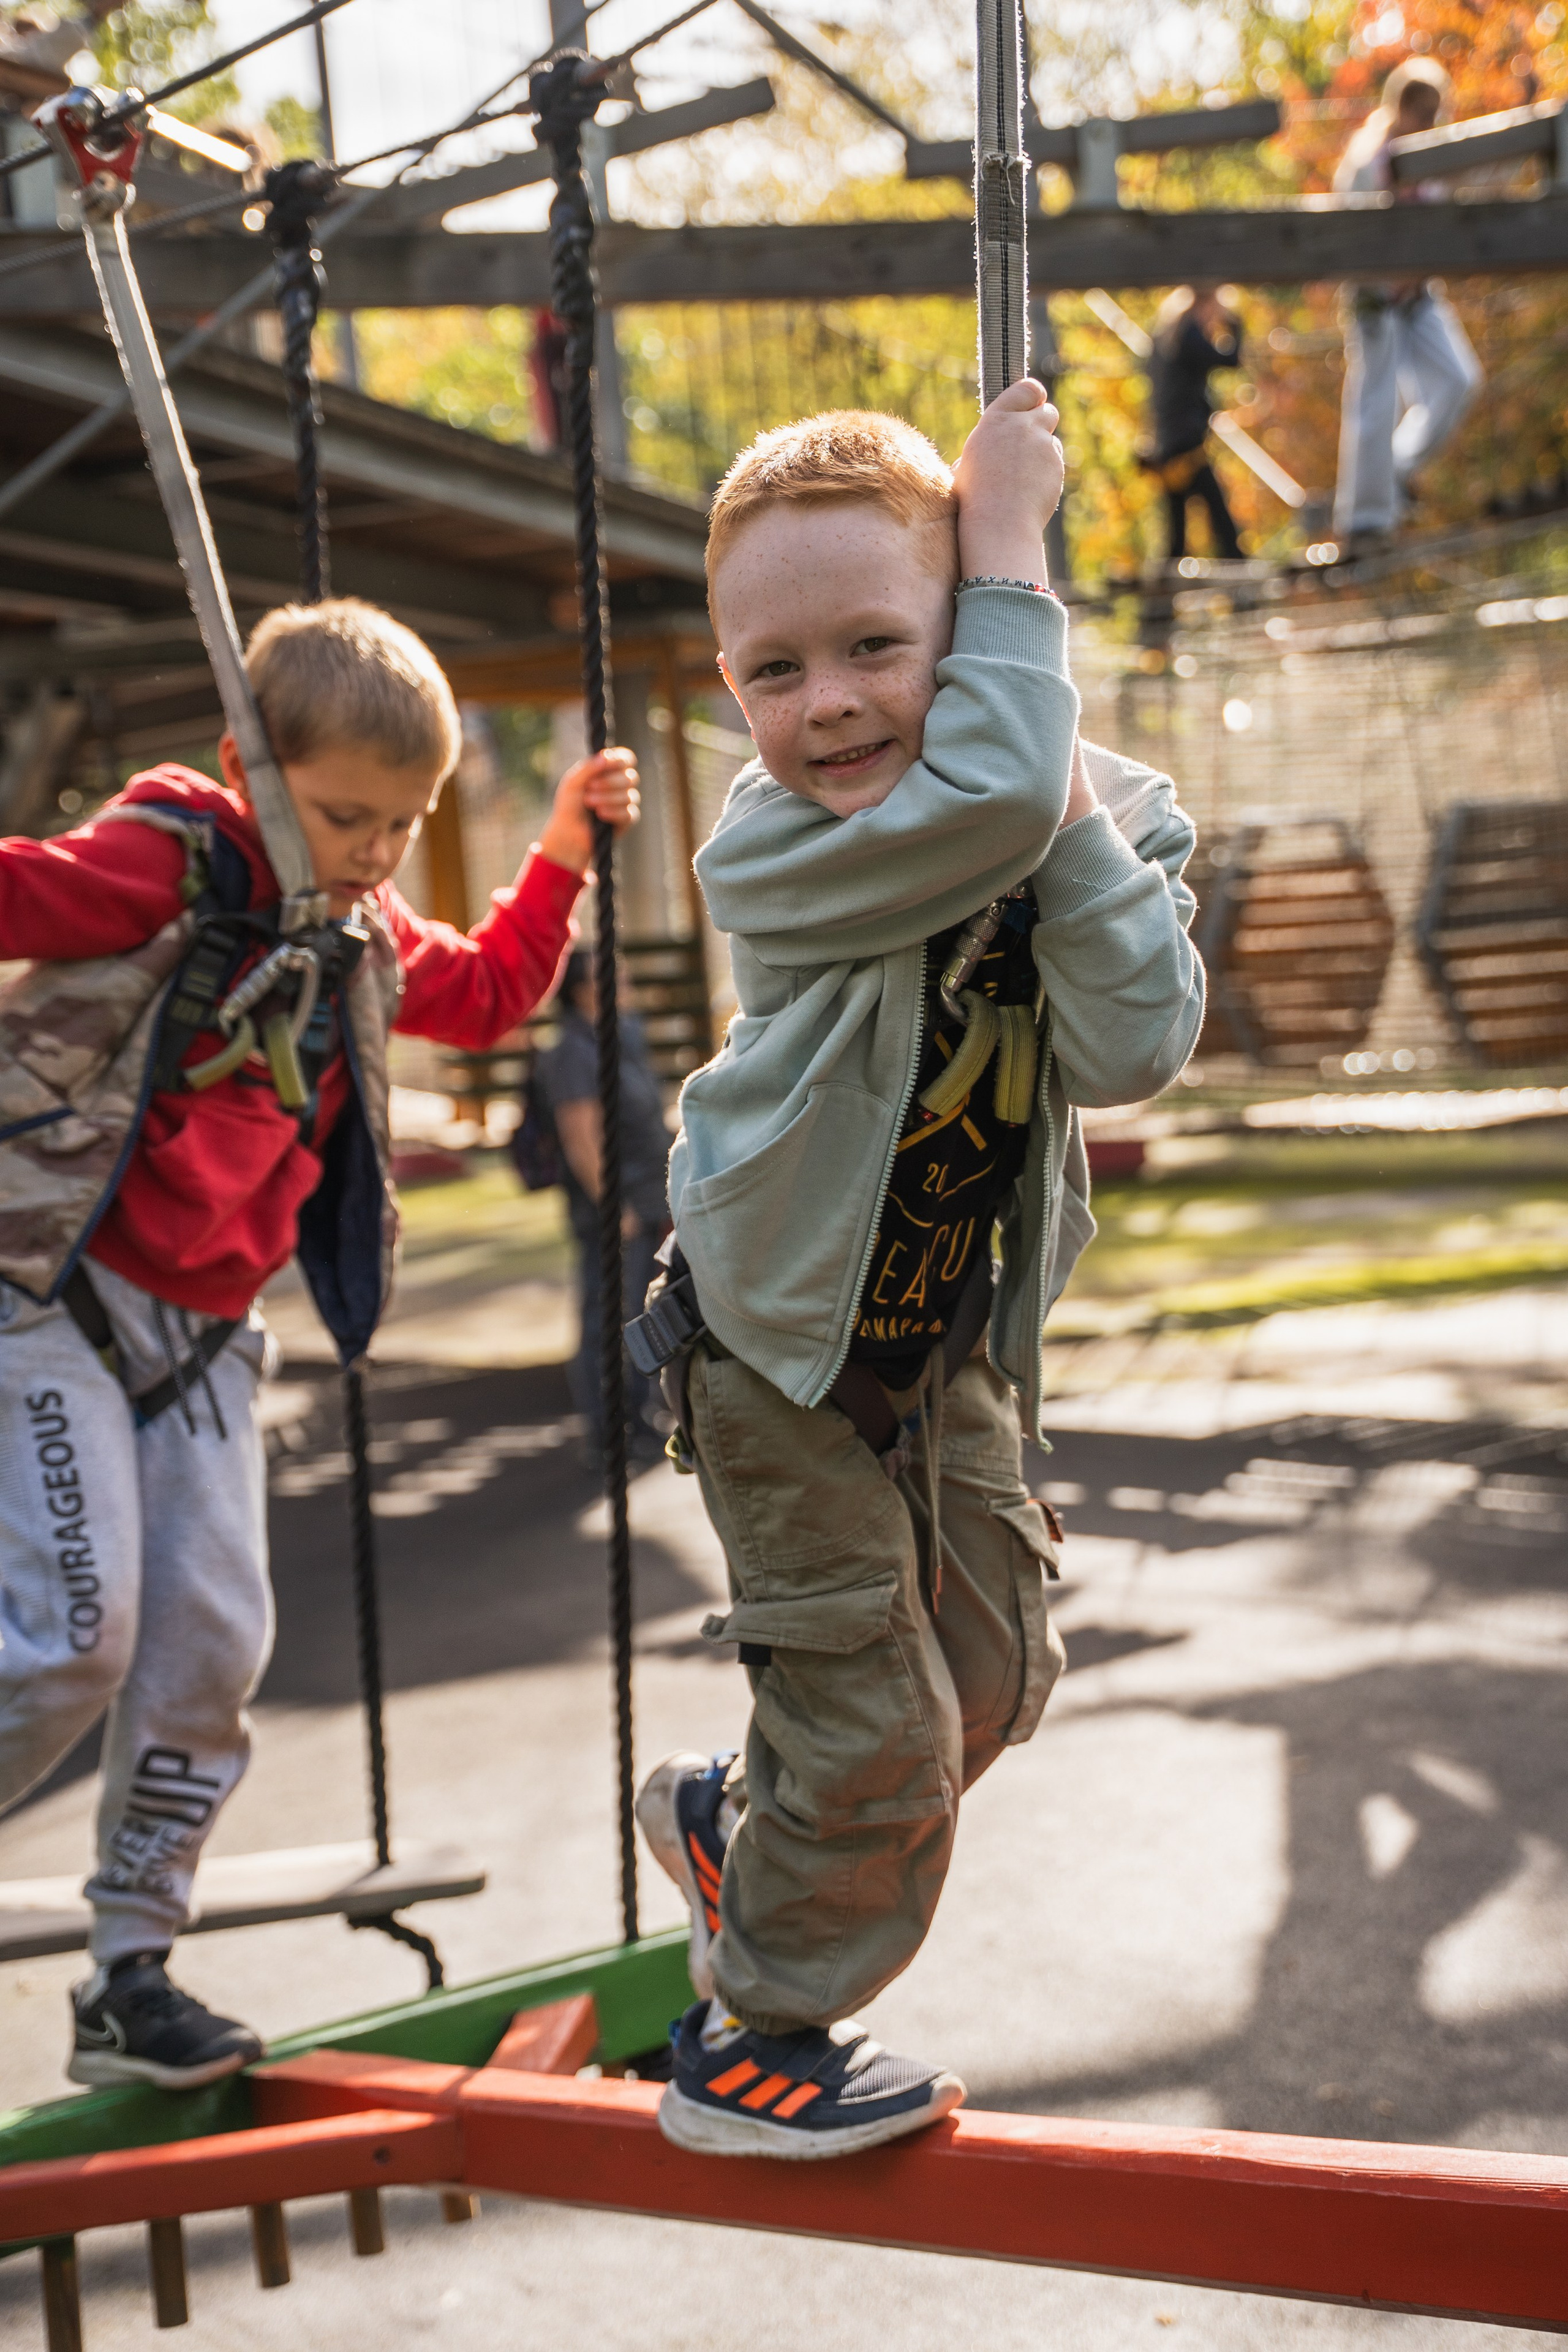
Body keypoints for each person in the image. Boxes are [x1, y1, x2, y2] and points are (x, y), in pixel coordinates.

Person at [633, 395, 1204, 2158]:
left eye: (881, 645)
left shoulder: (1065, 806)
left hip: (935, 1339)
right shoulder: (771, 848)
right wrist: (1015, 566)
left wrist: (1072, 822)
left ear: (972, 639)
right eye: (772, 671)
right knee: (879, 1724)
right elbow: (992, 801)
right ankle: (750, 2038)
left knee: (992, 1679)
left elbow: (1140, 1045)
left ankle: (747, 1818)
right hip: (776, 1353)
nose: (829, 705)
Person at [0, 597, 638, 2090]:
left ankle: (130, 1971)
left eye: (402, 826)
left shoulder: (356, 928)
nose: (373, 853)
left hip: (206, 1334)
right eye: (345, 816)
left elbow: (484, 994)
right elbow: (21, 894)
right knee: (78, 1636)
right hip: (49, 1289)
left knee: (212, 1649)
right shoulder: (162, 857)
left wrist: (551, 849)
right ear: (246, 767)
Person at [1332, 58, 1483, 552]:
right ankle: (1366, 518)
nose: (1431, 123)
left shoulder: (1433, 157)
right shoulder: (1367, 160)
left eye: (1437, 114)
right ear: (1401, 106)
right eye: (1424, 113)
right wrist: (1387, 280)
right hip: (1376, 295)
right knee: (1376, 402)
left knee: (1459, 379)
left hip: (1418, 294)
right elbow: (1348, 235)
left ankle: (1394, 470)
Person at [534, 947, 673, 1466]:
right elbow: (581, 1138)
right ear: (583, 988)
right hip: (613, 1211)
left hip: (642, 1199)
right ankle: (607, 1427)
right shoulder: (573, 1050)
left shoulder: (617, 1039)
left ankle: (635, 1413)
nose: (628, 983)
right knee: (605, 1313)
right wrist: (614, 1206)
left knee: (636, 1308)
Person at [1144, 284, 1245, 564]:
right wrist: (1235, 324)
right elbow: (1231, 359)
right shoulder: (1188, 335)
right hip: (1187, 444)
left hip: (1168, 441)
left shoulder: (1168, 335)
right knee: (1220, 519)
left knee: (1176, 534)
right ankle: (1243, 583)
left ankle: (1160, 606)